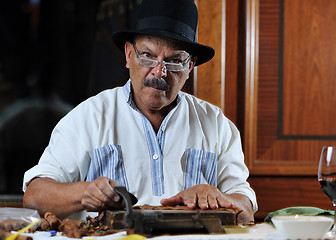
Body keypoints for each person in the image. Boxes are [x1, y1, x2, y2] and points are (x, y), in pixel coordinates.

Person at [23, 0, 257, 223]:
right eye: (148, 56)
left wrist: (219, 198)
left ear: (190, 66)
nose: (159, 72)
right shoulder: (89, 117)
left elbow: (245, 210)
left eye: (175, 61)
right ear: (128, 54)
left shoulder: (216, 124)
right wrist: (83, 192)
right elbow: (34, 197)